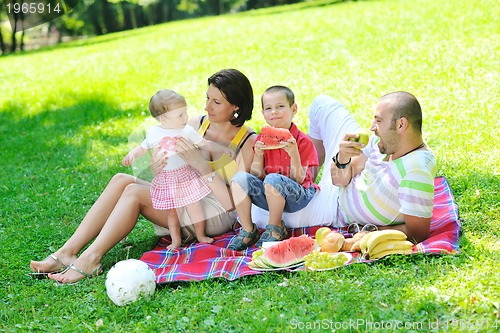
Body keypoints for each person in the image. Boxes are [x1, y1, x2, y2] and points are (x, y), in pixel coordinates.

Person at [30, 69, 257, 284]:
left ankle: (91, 259)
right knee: (121, 179)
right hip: (184, 192)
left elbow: (232, 204)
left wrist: (202, 166)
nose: (207, 106)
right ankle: (67, 252)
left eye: (216, 102)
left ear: (236, 106)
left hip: (216, 211)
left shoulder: (246, 142)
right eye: (207, 98)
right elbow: (169, 168)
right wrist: (157, 167)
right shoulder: (195, 124)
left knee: (134, 193)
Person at [251, 92, 436, 243]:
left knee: (256, 213)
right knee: (321, 103)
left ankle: (301, 185)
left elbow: (417, 233)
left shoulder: (415, 171)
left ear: (401, 124)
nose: (372, 127)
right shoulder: (384, 141)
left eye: (378, 121)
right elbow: (339, 179)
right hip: (339, 186)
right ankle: (307, 176)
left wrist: (372, 232)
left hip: (334, 208)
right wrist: (342, 158)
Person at [122, 89, 234, 249]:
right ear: (163, 118)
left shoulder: (186, 130)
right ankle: (176, 240)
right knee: (173, 212)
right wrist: (132, 155)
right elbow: (143, 147)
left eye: (185, 113)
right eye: (180, 115)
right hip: (168, 179)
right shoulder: (154, 132)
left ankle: (201, 235)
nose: (186, 117)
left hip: (187, 176)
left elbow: (204, 144)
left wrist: (222, 149)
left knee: (195, 207)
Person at [228, 86, 319, 250]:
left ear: (294, 109)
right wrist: (259, 154)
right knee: (239, 178)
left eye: (280, 106)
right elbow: (256, 175)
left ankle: (276, 227)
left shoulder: (303, 142)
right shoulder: (262, 140)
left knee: (272, 178)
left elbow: (299, 179)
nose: (274, 112)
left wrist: (294, 153)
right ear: (263, 113)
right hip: (270, 193)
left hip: (298, 195)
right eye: (268, 108)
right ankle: (248, 229)